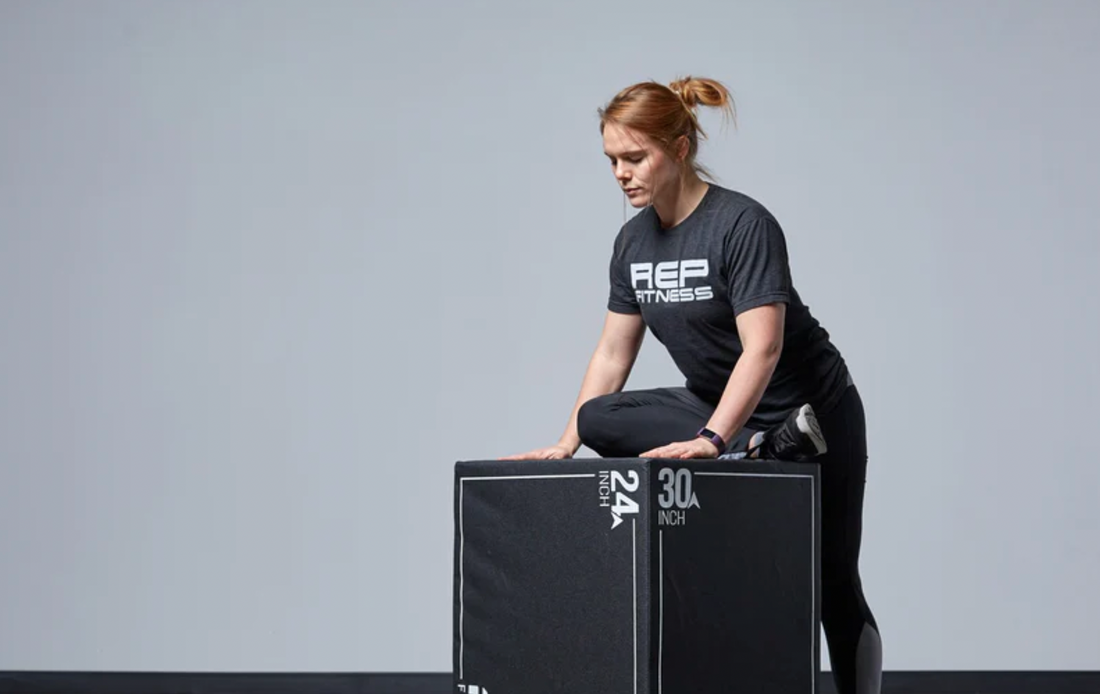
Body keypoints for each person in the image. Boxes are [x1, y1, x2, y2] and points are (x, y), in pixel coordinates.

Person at [501, 76, 882, 694]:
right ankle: (759, 450)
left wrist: (710, 439)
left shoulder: (742, 224)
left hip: (814, 414)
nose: (621, 174)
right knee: (600, 418)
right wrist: (567, 441)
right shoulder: (632, 242)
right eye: (612, 161)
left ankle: (762, 444)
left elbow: (765, 346)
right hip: (726, 416)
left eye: (635, 157)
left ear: (679, 149)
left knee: (832, 580)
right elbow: (612, 350)